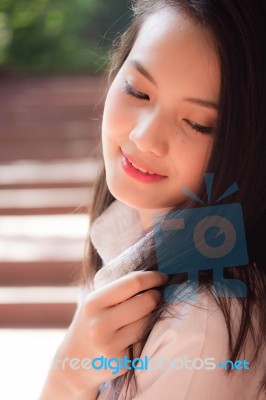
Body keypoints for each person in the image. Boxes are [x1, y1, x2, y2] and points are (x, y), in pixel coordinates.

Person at [40, 0, 266, 399]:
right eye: (137, 91)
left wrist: (68, 375)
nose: (145, 137)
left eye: (197, 124)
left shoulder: (202, 323)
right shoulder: (125, 235)